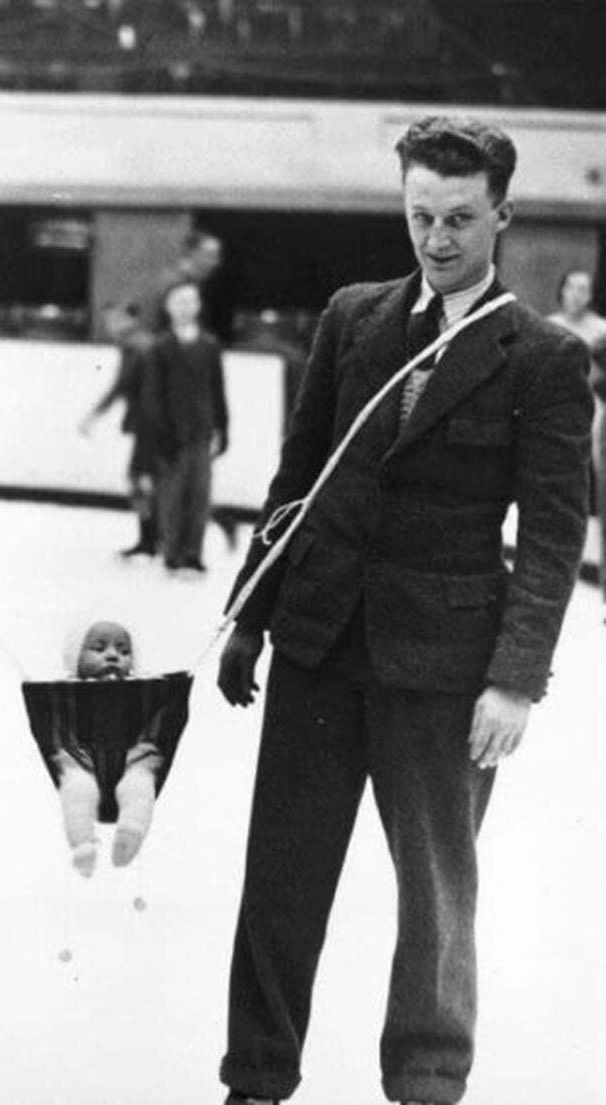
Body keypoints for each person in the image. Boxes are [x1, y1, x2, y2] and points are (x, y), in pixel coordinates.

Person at [216, 116, 592, 1105]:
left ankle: (427, 1079)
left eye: (461, 218)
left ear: (502, 214)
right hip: (320, 640)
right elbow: (299, 477)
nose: (437, 238)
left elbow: (554, 535)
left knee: (436, 893)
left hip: (448, 661)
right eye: (421, 214)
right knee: (282, 879)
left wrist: (517, 679)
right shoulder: (354, 316)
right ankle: (255, 1077)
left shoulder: (543, 358)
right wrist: (247, 614)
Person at [55, 619, 161, 875]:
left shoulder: (142, 692)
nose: (113, 655)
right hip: (78, 756)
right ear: (75, 657)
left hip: (133, 757)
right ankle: (83, 846)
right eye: (99, 648)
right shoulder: (62, 693)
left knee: (139, 783)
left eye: (124, 651)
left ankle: (131, 833)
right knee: (78, 786)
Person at [144, 279, 229, 573]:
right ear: (169, 307)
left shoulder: (209, 345)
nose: (185, 307)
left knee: (200, 495)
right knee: (172, 495)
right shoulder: (160, 348)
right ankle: (172, 551)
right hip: (172, 433)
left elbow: (218, 389)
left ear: (198, 306)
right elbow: (152, 396)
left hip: (201, 431)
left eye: (191, 301)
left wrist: (223, 426)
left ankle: (194, 552)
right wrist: (160, 433)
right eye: (179, 301)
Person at [79, 301, 159, 558]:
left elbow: (122, 385)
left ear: (129, 319)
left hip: (150, 424)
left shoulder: (135, 345)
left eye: (115, 320)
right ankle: (153, 539)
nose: (110, 326)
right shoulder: (143, 342)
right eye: (107, 321)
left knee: (139, 478)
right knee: (153, 480)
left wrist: (94, 414)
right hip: (154, 422)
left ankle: (149, 541)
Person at [548, 268, 606, 608]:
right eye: (572, 288)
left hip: (596, 414)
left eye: (584, 289)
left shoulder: (601, 330)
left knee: (597, 489)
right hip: (556, 416)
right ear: (562, 290)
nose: (577, 295)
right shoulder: (548, 325)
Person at [138, 229, 224, 336]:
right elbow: (149, 324)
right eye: (210, 255)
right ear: (191, 253)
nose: (215, 263)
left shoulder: (195, 284)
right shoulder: (171, 283)